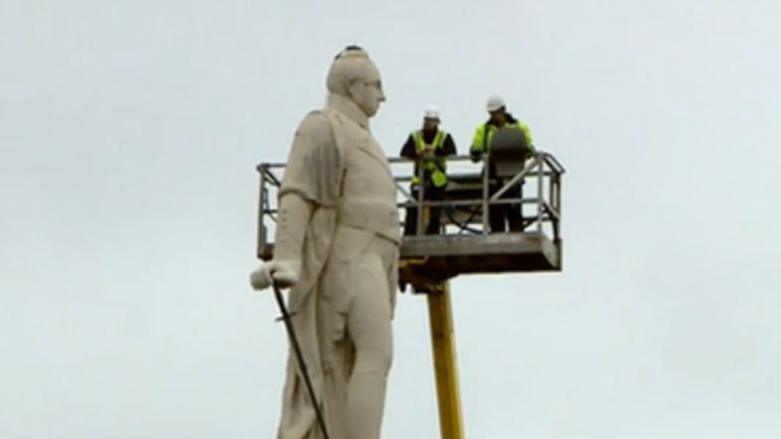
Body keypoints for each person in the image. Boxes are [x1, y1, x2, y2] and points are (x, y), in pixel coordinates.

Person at [249, 46, 399, 439]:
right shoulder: (322, 126)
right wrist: (287, 259)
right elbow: (297, 192)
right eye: (376, 85)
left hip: (377, 257)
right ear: (353, 86)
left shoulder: (364, 138)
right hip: (351, 254)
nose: (382, 96)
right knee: (372, 353)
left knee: (369, 358)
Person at [469, 95, 535, 233]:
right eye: (491, 113)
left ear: (503, 110)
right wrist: (476, 151)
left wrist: (527, 150)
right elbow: (475, 149)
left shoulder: (519, 127)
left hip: (513, 175)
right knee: (495, 213)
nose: (494, 116)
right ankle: (497, 235)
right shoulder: (484, 129)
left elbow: (529, 148)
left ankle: (517, 237)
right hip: (493, 175)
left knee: (514, 212)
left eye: (496, 113)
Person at [400, 106, 457, 235]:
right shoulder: (415, 136)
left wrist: (435, 152)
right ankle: (409, 234)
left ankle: (433, 234)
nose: (428, 124)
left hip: (437, 180)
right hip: (419, 179)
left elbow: (451, 151)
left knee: (435, 210)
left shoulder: (444, 136)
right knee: (413, 207)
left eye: (431, 121)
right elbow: (404, 152)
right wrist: (417, 154)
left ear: (437, 122)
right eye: (426, 121)